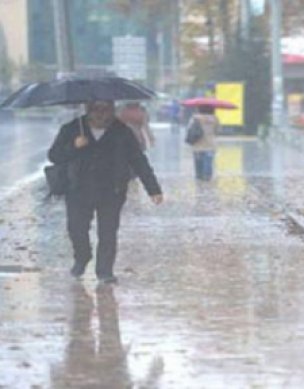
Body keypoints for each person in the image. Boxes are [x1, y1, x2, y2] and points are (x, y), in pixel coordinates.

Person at [48, 100, 164, 284]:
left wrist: (153, 189)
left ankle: (105, 271)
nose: (101, 114)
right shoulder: (71, 128)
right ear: (88, 109)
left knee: (108, 232)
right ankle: (82, 257)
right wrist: (74, 146)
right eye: (97, 109)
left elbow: (138, 160)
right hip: (78, 189)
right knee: (76, 229)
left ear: (112, 110)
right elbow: (54, 155)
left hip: (112, 190)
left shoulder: (122, 131)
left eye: (106, 109)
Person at [187, 106, 220, 181]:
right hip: (210, 144)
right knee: (208, 162)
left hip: (197, 144)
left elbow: (189, 129)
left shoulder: (195, 118)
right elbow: (217, 131)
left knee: (198, 163)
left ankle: (199, 177)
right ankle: (208, 177)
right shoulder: (215, 119)